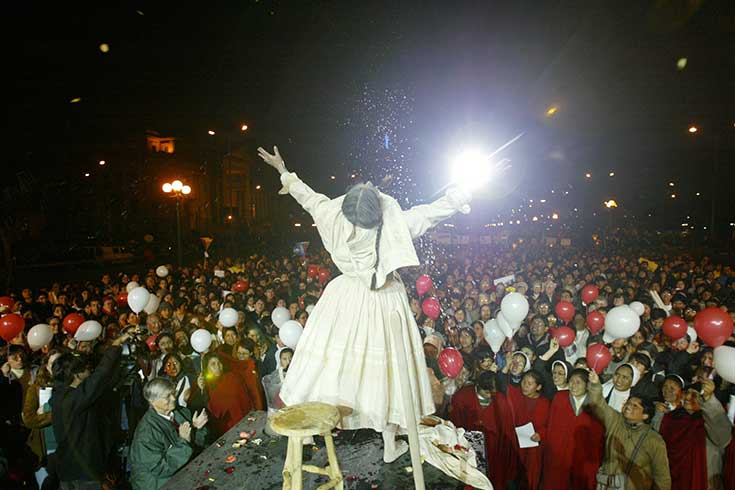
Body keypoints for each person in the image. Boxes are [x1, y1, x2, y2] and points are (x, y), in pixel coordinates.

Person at [258, 145, 474, 463]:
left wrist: (283, 171)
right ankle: (389, 444)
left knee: (331, 365)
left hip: (343, 298)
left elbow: (309, 197)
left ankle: (312, 428)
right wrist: (462, 193)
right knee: (387, 375)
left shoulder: (332, 215)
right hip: (385, 303)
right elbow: (431, 212)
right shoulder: (394, 223)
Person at [51, 328, 134, 489]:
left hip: (69, 470)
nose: (90, 372)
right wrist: (116, 344)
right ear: (77, 373)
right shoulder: (73, 398)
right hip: (84, 474)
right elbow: (101, 375)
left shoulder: (60, 394)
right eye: (86, 369)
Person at [587, 369, 671, 490]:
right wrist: (595, 384)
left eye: (635, 406)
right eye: (628, 403)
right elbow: (598, 404)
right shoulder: (615, 421)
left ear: (645, 415)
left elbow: (662, 478)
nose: (628, 407)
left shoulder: (654, 440)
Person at [129, 378, 208, 490]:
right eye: (167, 396)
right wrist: (183, 441)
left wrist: (196, 428)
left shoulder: (180, 412)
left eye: (173, 393)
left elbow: (198, 445)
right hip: (157, 484)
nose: (174, 398)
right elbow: (160, 469)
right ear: (152, 401)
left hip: (181, 472)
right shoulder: (146, 433)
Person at [658, 379, 731, 490]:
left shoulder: (710, 419)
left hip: (704, 481)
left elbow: (723, 439)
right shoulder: (671, 418)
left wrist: (709, 399)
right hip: (673, 480)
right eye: (687, 393)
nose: (688, 398)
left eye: (695, 395)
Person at [541, 368, 604, 490]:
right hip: (558, 455)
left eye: (578, 382)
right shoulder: (560, 397)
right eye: (571, 381)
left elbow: (598, 437)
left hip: (581, 457)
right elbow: (551, 424)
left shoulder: (595, 405)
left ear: (587, 385)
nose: (573, 385)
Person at [189, 353, 252, 437]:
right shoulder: (204, 384)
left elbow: (245, 401)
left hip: (243, 423)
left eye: (219, 363)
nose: (217, 366)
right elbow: (199, 409)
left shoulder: (232, 378)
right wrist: (201, 390)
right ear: (206, 368)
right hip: (221, 433)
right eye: (213, 364)